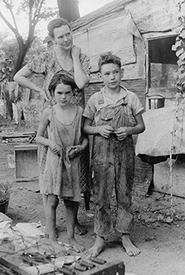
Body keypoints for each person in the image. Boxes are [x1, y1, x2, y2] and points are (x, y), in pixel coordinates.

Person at [14, 17, 90, 235]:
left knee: (75, 170)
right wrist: (38, 90)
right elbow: (18, 76)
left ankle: (73, 222)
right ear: (52, 39)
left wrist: (74, 56)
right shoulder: (46, 58)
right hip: (53, 122)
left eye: (68, 34)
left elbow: (82, 83)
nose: (66, 39)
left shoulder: (81, 58)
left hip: (75, 123)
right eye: (60, 37)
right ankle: (51, 223)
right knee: (52, 169)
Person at [83, 52, 145, 257]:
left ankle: (125, 236)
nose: (112, 77)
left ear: (122, 73)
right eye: (107, 73)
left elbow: (141, 126)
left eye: (115, 72)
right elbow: (85, 127)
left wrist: (128, 130)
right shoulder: (95, 99)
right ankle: (100, 238)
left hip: (125, 153)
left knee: (124, 194)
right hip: (101, 155)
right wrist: (99, 130)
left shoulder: (131, 98)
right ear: (101, 76)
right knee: (101, 196)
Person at [35, 72, 87, 253]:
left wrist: (80, 148)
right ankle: (52, 239)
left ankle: (71, 238)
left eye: (67, 92)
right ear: (52, 93)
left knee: (72, 201)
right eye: (59, 93)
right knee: (51, 201)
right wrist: (50, 143)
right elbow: (38, 137)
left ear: (73, 93)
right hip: (54, 162)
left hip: (72, 162)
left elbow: (85, 138)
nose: (63, 97)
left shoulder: (80, 112)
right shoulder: (49, 112)